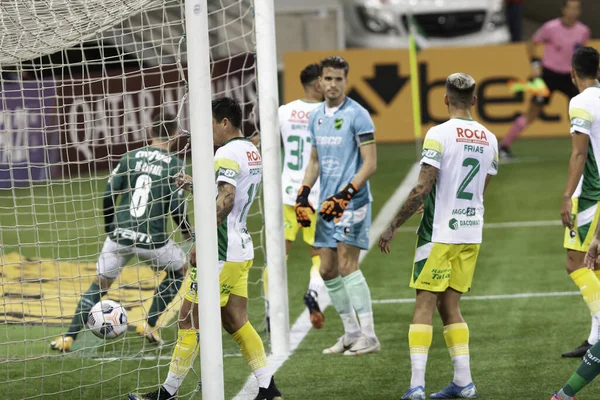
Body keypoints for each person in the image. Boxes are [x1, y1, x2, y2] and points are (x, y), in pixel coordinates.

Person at [129, 97, 282, 400]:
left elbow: (226, 199)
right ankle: (269, 388)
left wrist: (201, 241)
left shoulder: (225, 153)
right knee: (235, 320)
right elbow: (231, 193)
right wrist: (195, 185)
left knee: (187, 318)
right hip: (241, 248)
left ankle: (167, 393)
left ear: (225, 122)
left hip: (222, 251)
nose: (208, 131)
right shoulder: (251, 150)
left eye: (211, 124)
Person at [379, 73, 498, 399]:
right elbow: (480, 188)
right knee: (450, 305)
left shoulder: (438, 134)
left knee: (424, 304)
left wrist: (392, 225)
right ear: (474, 100)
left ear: (445, 99)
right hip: (471, 230)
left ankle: (416, 386)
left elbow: (422, 187)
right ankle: (464, 382)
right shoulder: (490, 138)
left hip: (440, 232)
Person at [50, 114, 191, 352]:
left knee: (99, 285)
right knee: (181, 269)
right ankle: (149, 323)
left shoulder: (130, 157)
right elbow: (176, 208)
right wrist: (187, 232)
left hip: (119, 236)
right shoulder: (176, 165)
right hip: (153, 242)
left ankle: (68, 337)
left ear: (149, 132)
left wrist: (110, 229)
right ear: (175, 135)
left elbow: (107, 196)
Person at [296, 55, 379, 355]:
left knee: (347, 266)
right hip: (326, 204)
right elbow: (314, 161)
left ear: (346, 80)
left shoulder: (358, 115)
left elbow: (370, 164)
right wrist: (304, 192)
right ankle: (351, 333)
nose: (332, 84)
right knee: (328, 270)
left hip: (351, 202)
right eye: (328, 79)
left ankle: (369, 336)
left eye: (338, 79)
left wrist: (345, 195)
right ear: (320, 81)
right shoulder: (315, 116)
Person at [263, 63, 325, 331]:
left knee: (279, 254)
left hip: (286, 192)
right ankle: (313, 292)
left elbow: (264, 141)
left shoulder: (284, 111)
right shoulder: (326, 112)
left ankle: (269, 309)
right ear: (317, 84)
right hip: (315, 193)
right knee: (319, 254)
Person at [500, 0, 590, 159]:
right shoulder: (551, 27)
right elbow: (532, 43)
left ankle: (584, 151)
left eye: (577, 8)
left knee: (577, 113)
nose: (574, 12)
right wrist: (535, 63)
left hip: (570, 76)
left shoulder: (583, 31)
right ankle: (504, 146)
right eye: (571, 8)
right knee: (532, 113)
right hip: (547, 75)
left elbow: (579, 53)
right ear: (564, 10)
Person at [559, 46, 600, 364]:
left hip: (591, 194)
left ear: (573, 72)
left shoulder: (580, 102)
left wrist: (566, 194)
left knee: (576, 263)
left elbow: (579, 153)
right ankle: (594, 340)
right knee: (595, 266)